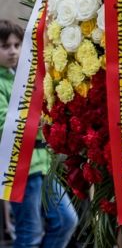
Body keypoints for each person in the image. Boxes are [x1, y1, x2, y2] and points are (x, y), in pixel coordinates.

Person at [0, 19, 78, 248]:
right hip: (20, 167)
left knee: (66, 221)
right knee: (30, 233)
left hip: (44, 165)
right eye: (5, 46)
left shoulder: (21, 76)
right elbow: (5, 124)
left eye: (17, 45)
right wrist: (41, 122)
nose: (13, 51)